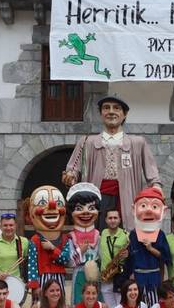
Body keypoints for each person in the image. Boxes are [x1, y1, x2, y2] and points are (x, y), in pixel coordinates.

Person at [62, 95, 161, 230]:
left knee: (128, 231)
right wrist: (70, 176)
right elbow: (72, 169)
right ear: (101, 113)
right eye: (106, 108)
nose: (111, 111)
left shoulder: (138, 143)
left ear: (125, 114)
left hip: (127, 195)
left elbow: (152, 172)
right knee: (98, 231)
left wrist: (156, 185)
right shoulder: (87, 142)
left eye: (116, 108)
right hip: (98, 195)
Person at [125, 187, 172, 306]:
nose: (149, 211)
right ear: (134, 209)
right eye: (143, 206)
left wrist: (151, 249)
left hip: (154, 276)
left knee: (154, 304)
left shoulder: (160, 234)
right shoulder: (133, 234)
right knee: (138, 305)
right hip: (137, 275)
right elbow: (130, 259)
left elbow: (165, 257)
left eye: (155, 206)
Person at [26, 185, 73, 299]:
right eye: (42, 202)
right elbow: (32, 265)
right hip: (42, 279)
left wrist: (53, 249)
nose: (52, 205)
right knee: (41, 305)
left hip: (59, 277)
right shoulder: (35, 240)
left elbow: (65, 259)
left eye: (59, 203)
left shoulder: (65, 239)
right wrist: (34, 285)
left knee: (58, 303)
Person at [63, 183, 101, 305]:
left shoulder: (99, 236)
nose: (86, 212)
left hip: (96, 276)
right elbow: (69, 262)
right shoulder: (71, 237)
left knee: (96, 304)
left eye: (91, 208)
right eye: (79, 209)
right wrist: (81, 251)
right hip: (79, 274)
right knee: (78, 303)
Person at [0, 214, 29, 286]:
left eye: (11, 225)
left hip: (18, 283)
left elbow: (27, 261)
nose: (8, 228)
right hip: (0, 283)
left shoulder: (24, 241)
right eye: (5, 225)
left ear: (15, 226)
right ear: (0, 226)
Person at [99, 209, 129, 308]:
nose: (113, 220)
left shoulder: (126, 235)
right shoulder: (103, 233)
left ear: (120, 220)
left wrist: (128, 254)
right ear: (106, 220)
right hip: (106, 276)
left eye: (115, 218)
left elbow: (132, 256)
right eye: (110, 218)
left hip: (119, 276)